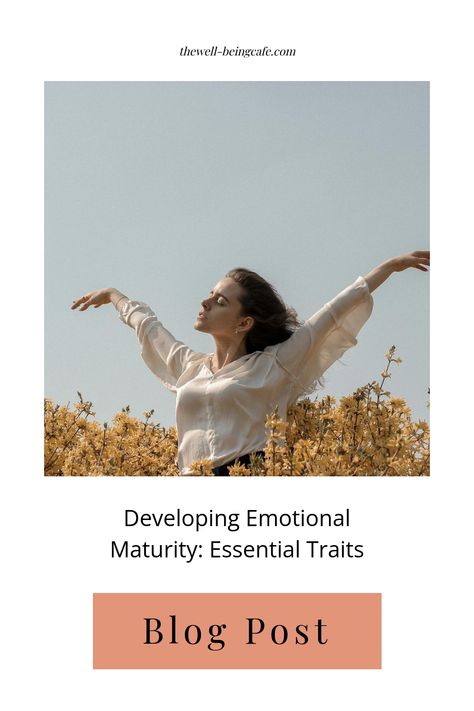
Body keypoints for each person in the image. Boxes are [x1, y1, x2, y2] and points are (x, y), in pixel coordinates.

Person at [71, 251, 429, 475]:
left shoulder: (275, 364)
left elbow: (332, 315)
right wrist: (115, 296)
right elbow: (149, 329)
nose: (206, 301)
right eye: (211, 295)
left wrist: (389, 267)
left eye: (220, 301)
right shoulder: (190, 367)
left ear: (244, 323)